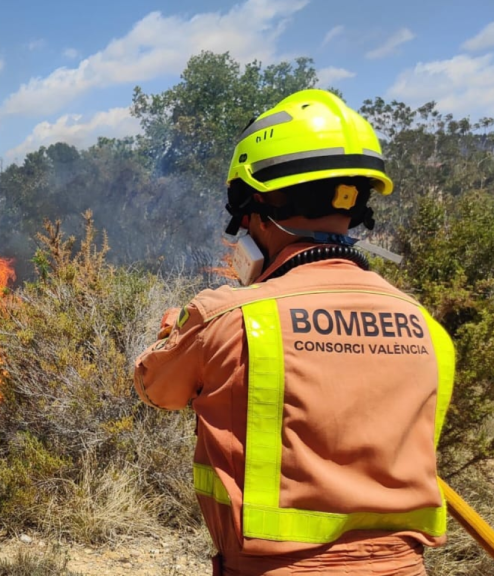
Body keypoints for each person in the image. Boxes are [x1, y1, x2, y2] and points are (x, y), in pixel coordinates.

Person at [133, 89, 455, 576]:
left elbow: (155, 389)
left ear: (254, 206)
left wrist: (174, 333)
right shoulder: (426, 327)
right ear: (356, 205)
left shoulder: (228, 317)